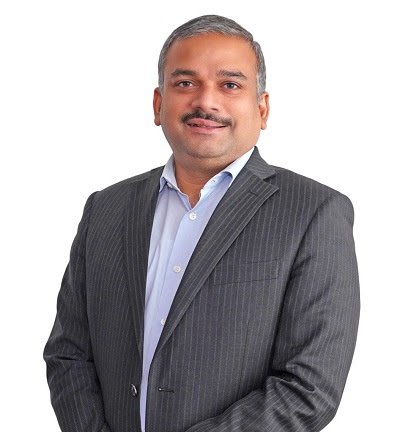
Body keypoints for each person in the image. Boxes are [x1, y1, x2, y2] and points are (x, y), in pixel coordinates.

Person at [44, 14, 360, 432]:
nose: (206, 102)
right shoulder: (106, 208)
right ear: (158, 104)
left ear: (262, 108)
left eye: (230, 85)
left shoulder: (314, 212)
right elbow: (68, 354)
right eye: (185, 83)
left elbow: (309, 388)